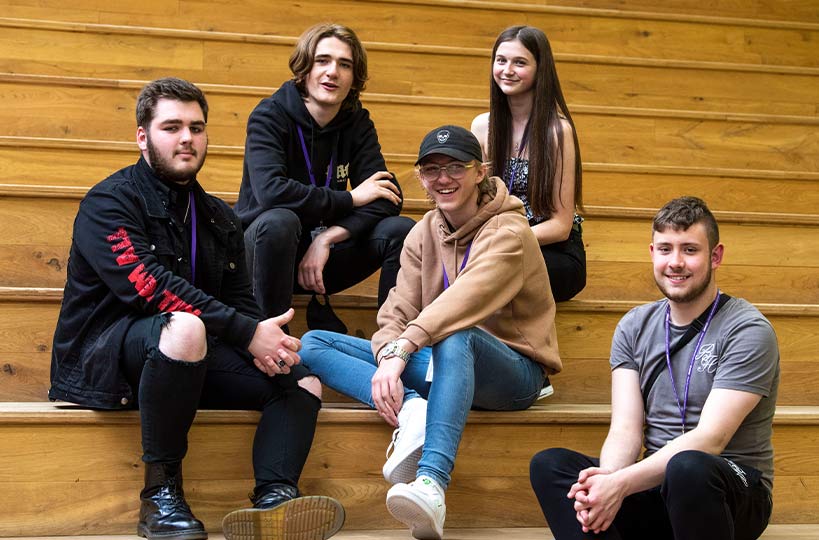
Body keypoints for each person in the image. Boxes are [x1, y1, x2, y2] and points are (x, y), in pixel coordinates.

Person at [49, 77, 344, 540]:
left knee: (300, 378)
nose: (187, 138)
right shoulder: (109, 201)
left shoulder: (219, 215)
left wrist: (265, 342)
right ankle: (159, 497)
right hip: (108, 356)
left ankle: (276, 499)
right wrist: (246, 332)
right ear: (143, 137)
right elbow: (149, 289)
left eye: (197, 127)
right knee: (185, 327)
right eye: (172, 127)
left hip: (186, 357)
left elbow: (239, 301)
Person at [299, 125, 562, 540]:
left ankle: (432, 484)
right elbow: (397, 309)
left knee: (457, 334)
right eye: (431, 169)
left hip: (514, 373)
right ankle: (411, 411)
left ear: (481, 172)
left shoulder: (510, 232)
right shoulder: (422, 231)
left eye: (456, 166)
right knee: (313, 343)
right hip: (444, 362)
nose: (443, 179)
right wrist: (389, 354)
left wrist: (403, 348)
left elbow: (463, 304)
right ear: (420, 178)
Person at [530, 196, 780, 540]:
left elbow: (711, 439)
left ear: (716, 256)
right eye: (665, 249)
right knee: (551, 466)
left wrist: (621, 484)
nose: (675, 262)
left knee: (689, 466)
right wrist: (607, 484)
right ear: (652, 253)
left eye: (689, 250)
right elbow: (625, 431)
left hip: (731, 489)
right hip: (654, 483)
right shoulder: (634, 326)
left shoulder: (747, 329)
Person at [235, 23, 414, 330]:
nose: (333, 72)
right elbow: (271, 193)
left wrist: (330, 237)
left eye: (344, 64)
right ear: (304, 68)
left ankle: (392, 343)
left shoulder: (356, 121)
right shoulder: (270, 115)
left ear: (354, 77)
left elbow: (387, 195)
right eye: (323, 61)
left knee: (401, 230)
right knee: (280, 220)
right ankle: (275, 348)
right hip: (267, 254)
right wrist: (350, 198)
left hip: (322, 259)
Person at [471, 25, 586, 302]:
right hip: (497, 246)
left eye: (519, 62)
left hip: (553, 250)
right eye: (501, 61)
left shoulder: (557, 132)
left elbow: (561, 225)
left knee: (495, 271)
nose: (507, 70)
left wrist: (506, 240)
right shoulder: (482, 126)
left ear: (539, 69)